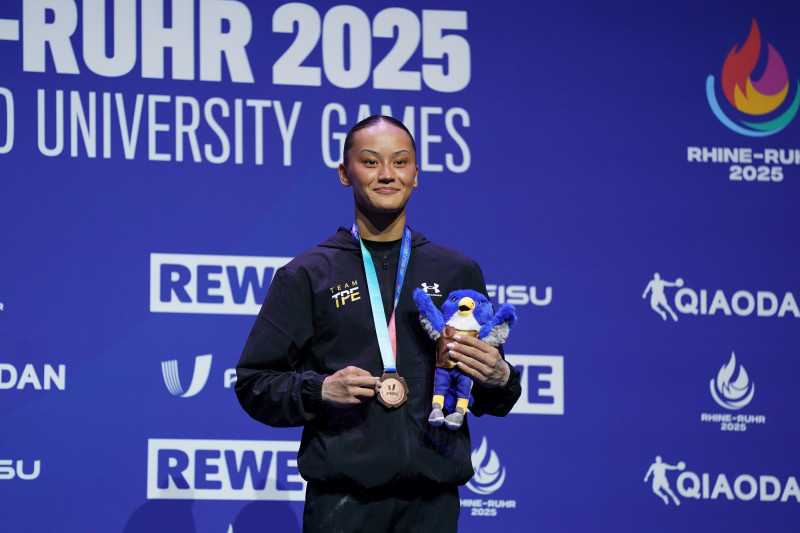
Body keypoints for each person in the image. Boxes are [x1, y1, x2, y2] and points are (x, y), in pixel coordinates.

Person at [235, 115, 521, 532]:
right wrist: (320, 389)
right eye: (370, 162)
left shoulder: (457, 272)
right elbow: (254, 382)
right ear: (344, 173)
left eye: (400, 162)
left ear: (416, 174)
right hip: (343, 505)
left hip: (434, 506)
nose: (387, 174)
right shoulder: (310, 274)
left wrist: (501, 377)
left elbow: (492, 395)